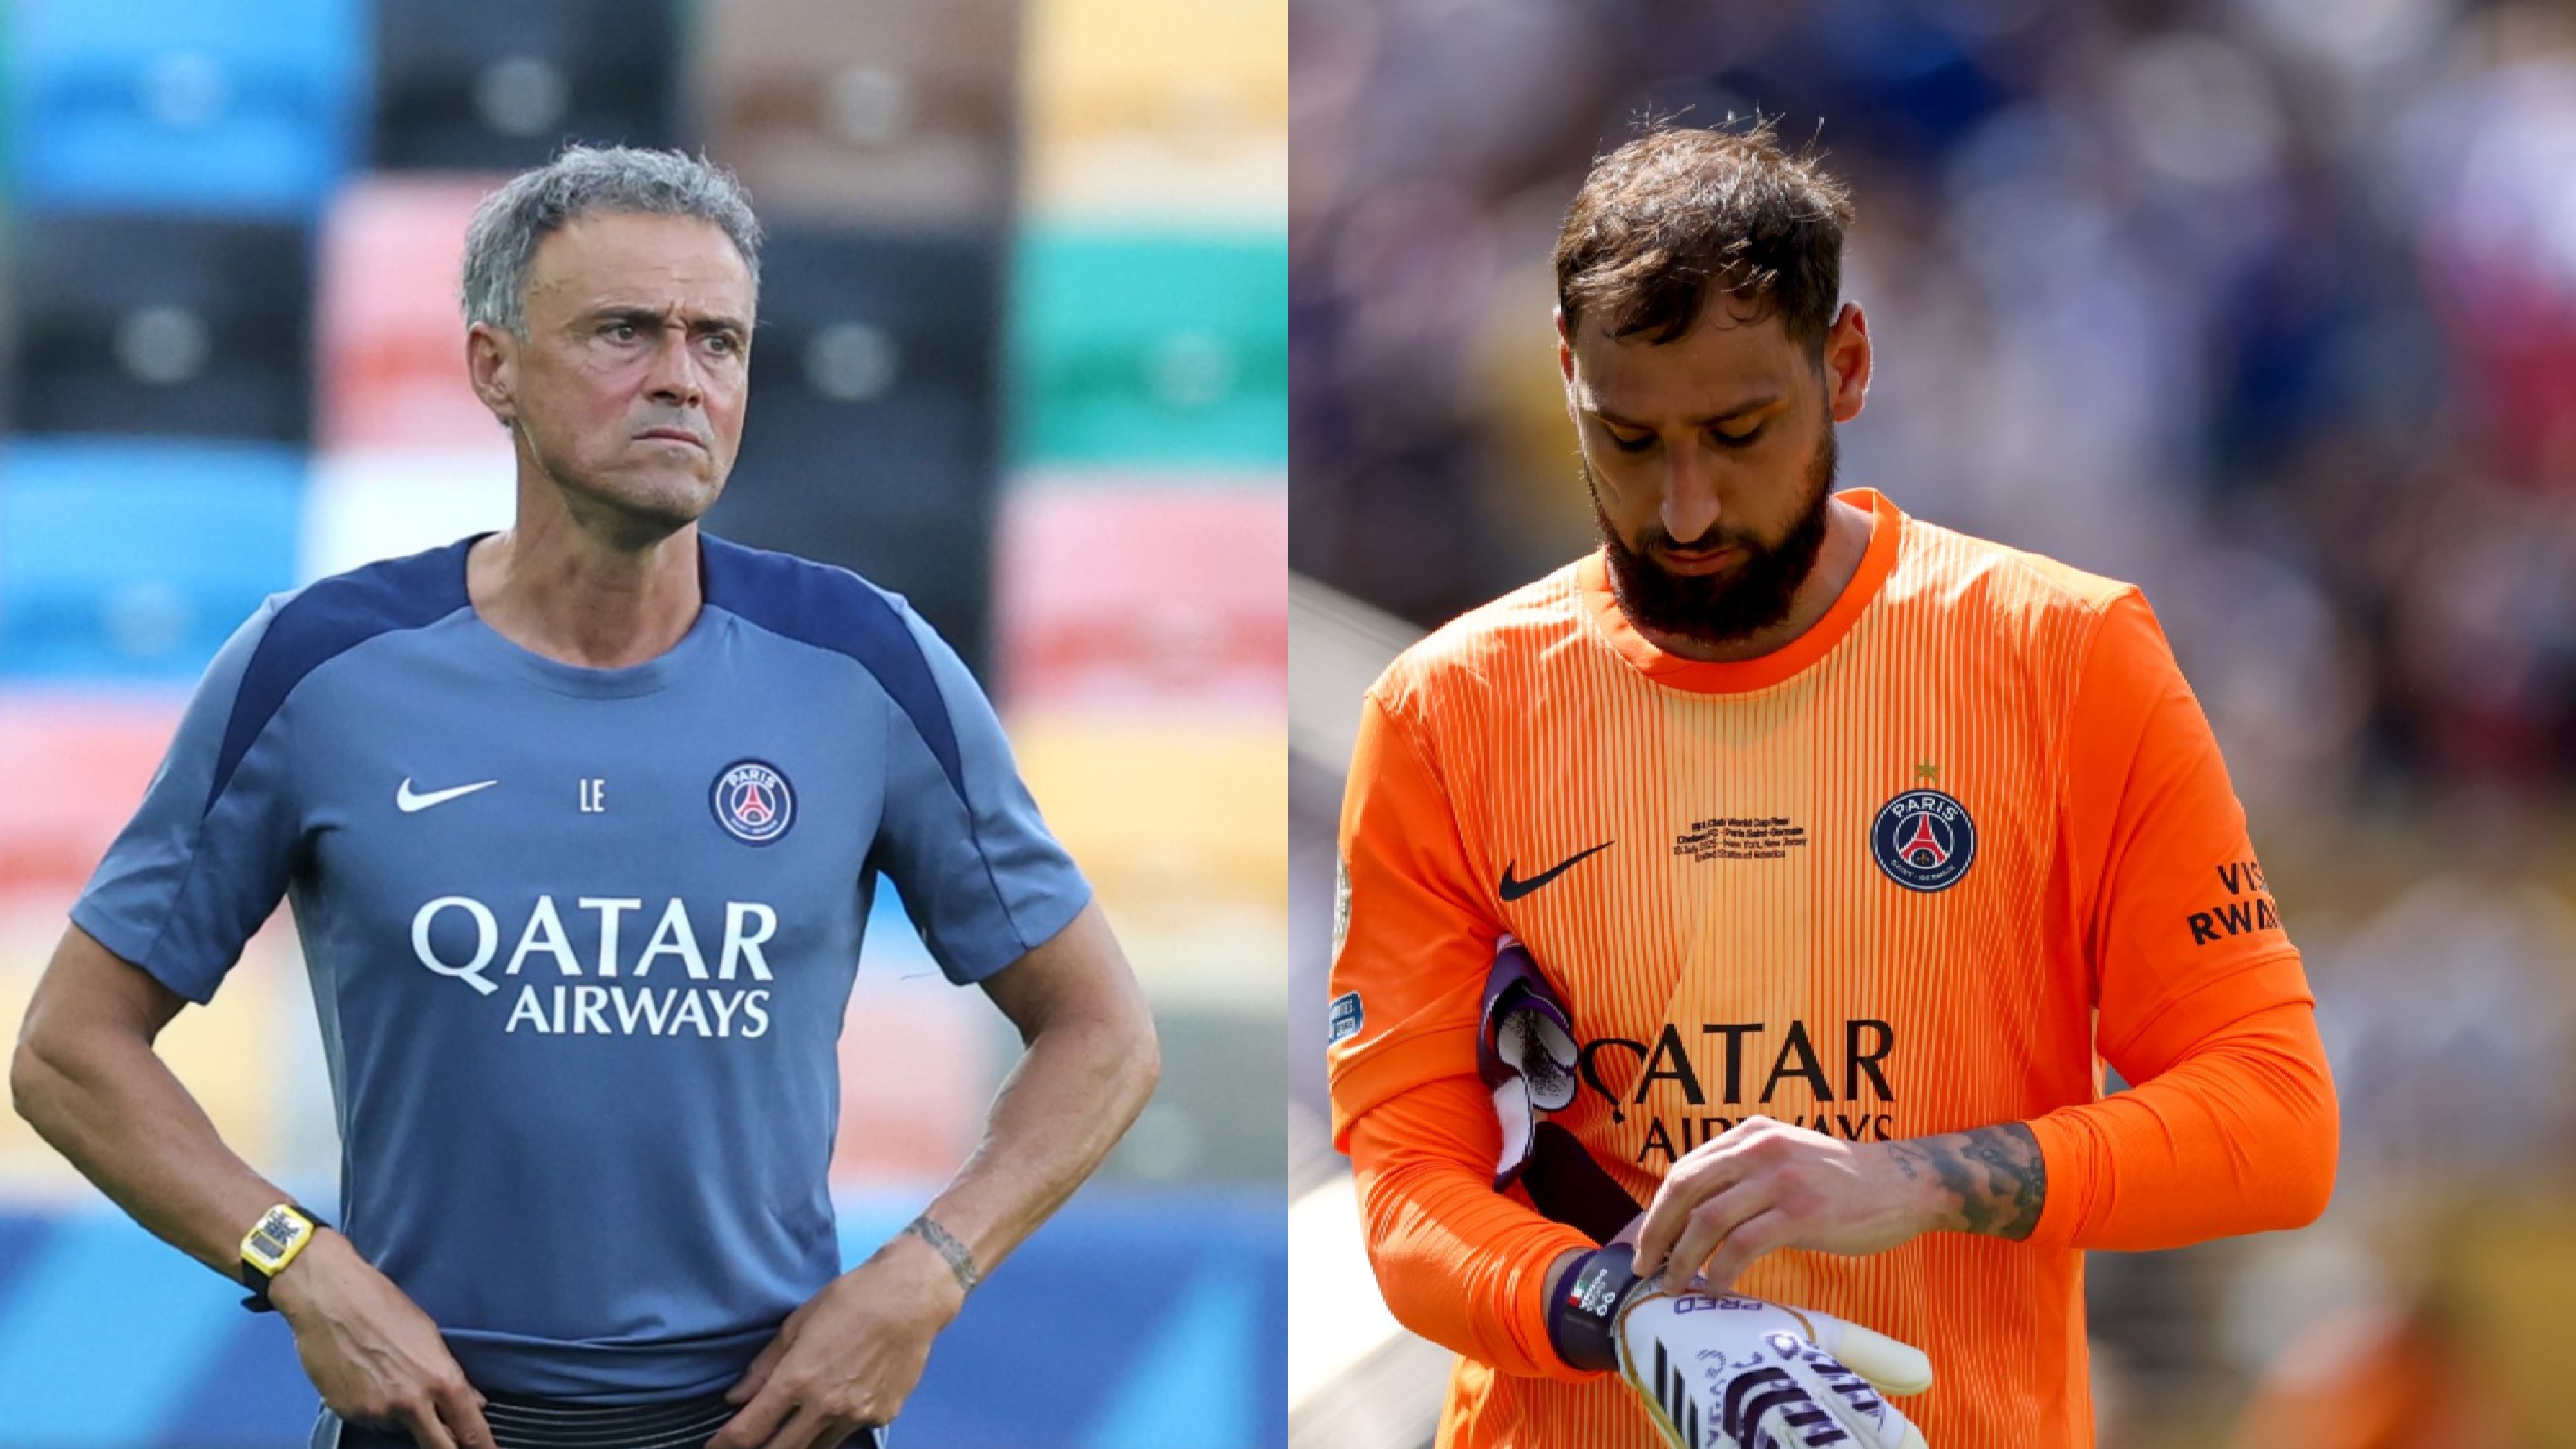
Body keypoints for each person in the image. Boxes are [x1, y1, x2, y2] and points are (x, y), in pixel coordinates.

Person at [8, 145, 1159, 1449]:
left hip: (759, 1427)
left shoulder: (864, 663)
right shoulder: (317, 666)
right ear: (492, 367)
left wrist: (925, 1274)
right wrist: (294, 1259)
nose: (680, 376)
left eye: (717, 341)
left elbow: (1103, 1034)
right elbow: (67, 1050)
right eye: (624, 332)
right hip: (437, 1427)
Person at [1323, 120, 2339, 1448]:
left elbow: (2273, 1120)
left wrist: (1909, 1181)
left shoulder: (2059, 656)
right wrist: (1617, 1310)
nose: (1683, 510)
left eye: (1738, 432)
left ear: (1844, 365)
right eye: (1625, 442)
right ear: (1564, 378)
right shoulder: (1447, 711)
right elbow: (1406, 1195)